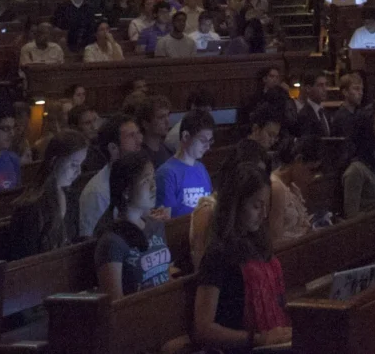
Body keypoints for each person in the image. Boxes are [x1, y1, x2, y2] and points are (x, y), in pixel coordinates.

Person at [191, 162, 292, 348]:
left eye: (266, 206)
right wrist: (259, 339)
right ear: (235, 205)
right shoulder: (218, 255)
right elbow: (203, 328)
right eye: (256, 206)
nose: (264, 215)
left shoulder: (258, 243)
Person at [94, 151, 172, 296]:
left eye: (153, 179)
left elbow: (165, 275)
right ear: (126, 191)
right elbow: (115, 302)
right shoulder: (112, 242)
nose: (154, 186)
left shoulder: (156, 225)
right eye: (146, 181)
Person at [9, 129, 91, 257]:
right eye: (73, 165)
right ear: (54, 161)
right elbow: (25, 259)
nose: (79, 172)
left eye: (80, 165)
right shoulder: (31, 206)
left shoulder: (71, 197)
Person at [157, 113, 216, 217]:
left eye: (209, 141)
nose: (207, 147)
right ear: (186, 136)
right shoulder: (166, 173)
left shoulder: (201, 168)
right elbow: (166, 221)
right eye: (203, 140)